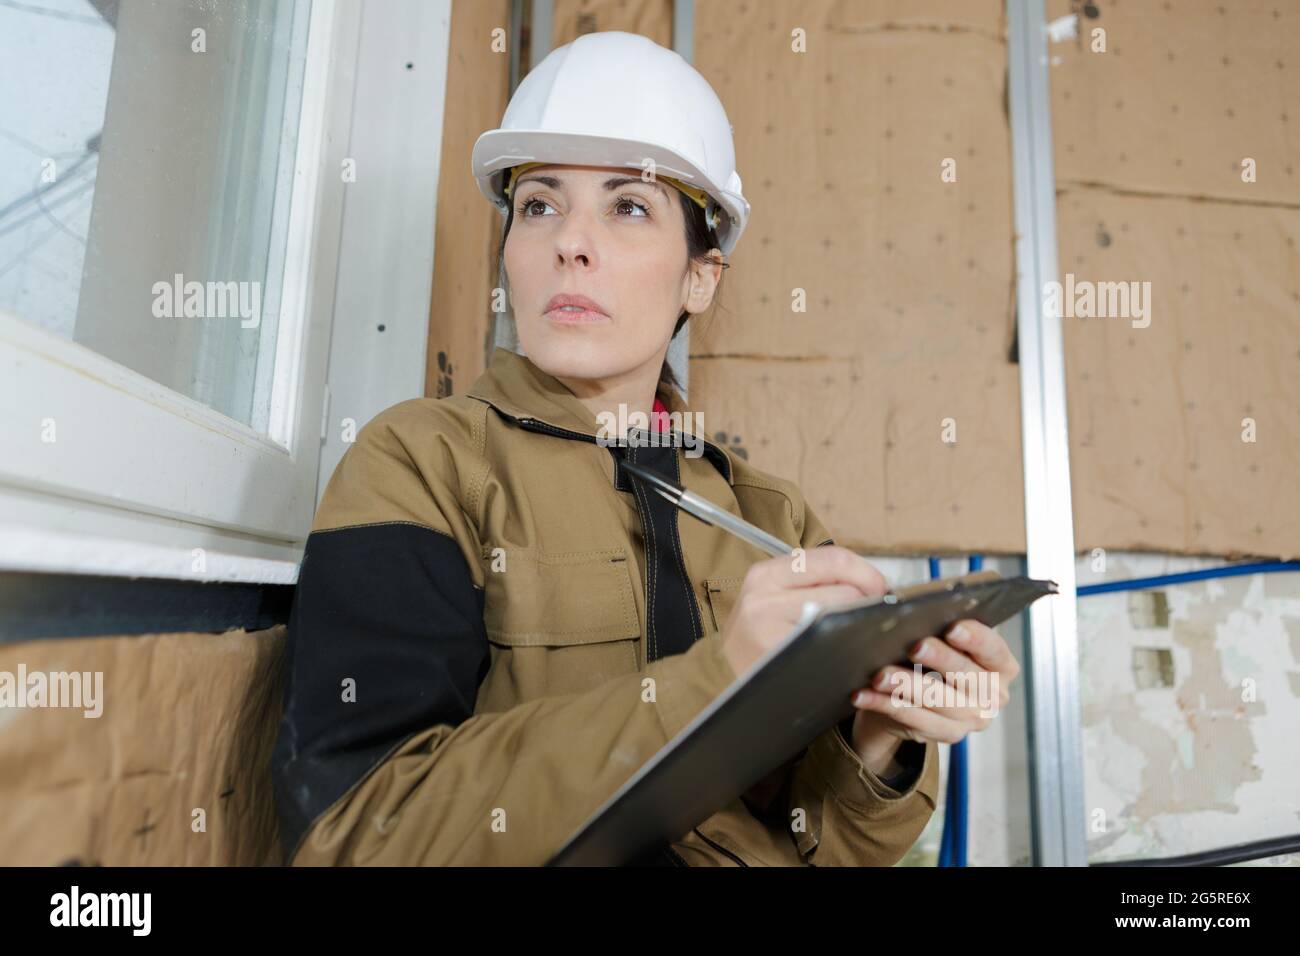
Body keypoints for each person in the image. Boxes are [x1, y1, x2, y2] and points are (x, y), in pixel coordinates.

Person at [270, 30, 1021, 867]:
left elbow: (823, 846)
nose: (570, 242)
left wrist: (879, 742)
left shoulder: (772, 517)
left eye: (628, 206)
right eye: (540, 204)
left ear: (700, 276)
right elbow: (357, 835)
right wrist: (716, 679)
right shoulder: (421, 465)